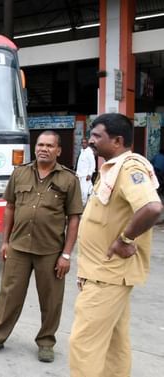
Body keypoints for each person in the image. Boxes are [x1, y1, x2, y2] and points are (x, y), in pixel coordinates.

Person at [69, 113, 162, 377]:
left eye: (98, 136)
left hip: (107, 276)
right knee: (114, 342)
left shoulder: (129, 167)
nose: (91, 140)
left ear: (118, 140)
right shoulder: (112, 167)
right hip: (103, 273)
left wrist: (125, 240)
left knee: (83, 344)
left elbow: (152, 207)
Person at [0, 131, 83, 363]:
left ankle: (46, 342)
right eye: (40, 144)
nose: (43, 149)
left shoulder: (69, 180)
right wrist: (5, 241)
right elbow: (10, 208)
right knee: (9, 296)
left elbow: (74, 218)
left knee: (51, 300)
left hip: (50, 251)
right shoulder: (20, 173)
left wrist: (66, 254)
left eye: (49, 145)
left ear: (58, 150)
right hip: (18, 248)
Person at [76, 138, 96, 205]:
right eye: (82, 142)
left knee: (85, 192)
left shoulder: (89, 152)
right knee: (83, 191)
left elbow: (92, 164)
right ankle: (87, 205)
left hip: (86, 175)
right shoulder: (81, 151)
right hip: (79, 175)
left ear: (87, 143)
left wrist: (90, 174)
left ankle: (84, 206)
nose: (83, 144)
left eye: (85, 142)